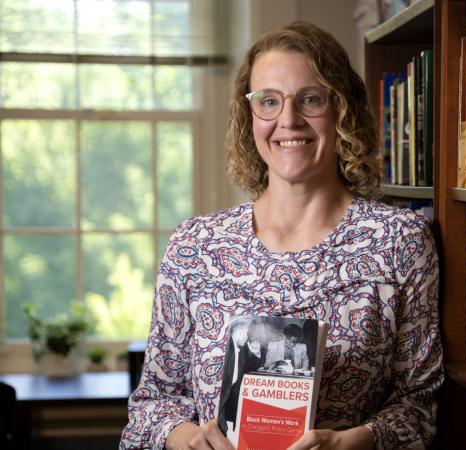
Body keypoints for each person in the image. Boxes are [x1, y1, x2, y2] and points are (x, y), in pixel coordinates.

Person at [119, 21, 442, 450]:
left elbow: (421, 407)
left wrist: (349, 444)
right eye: (268, 101)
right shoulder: (195, 246)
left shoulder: (400, 241)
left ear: (342, 109)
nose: (288, 120)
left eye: (310, 99)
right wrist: (188, 439)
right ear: (248, 116)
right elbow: (153, 404)